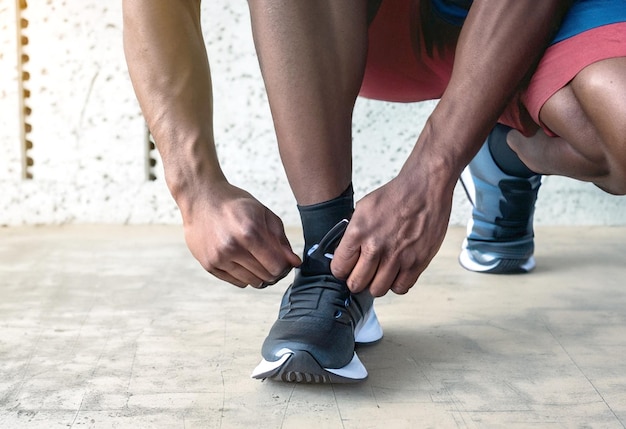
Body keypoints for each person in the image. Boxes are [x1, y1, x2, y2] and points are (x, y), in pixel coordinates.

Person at [123, 0, 626, 383]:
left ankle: (500, 153)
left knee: (617, 140)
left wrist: (433, 169)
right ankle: (331, 258)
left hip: (546, 13)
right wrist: (195, 187)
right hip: (378, 21)